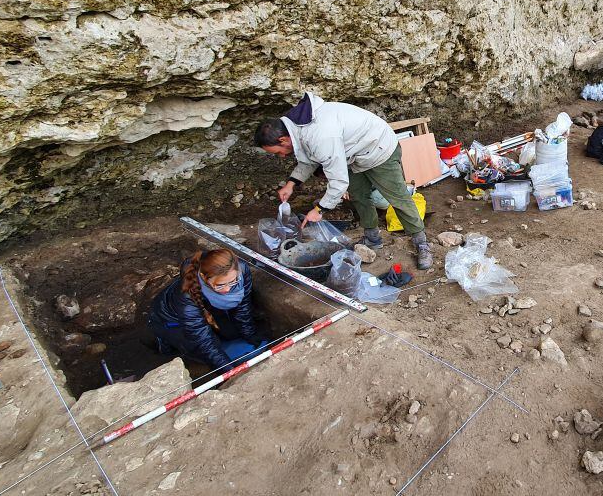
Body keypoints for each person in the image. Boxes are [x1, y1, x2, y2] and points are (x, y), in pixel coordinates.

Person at [254, 92, 433, 270]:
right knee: (359, 196)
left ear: (283, 139)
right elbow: (308, 158)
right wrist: (291, 184)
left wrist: (319, 209)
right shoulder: (296, 126)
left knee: (398, 198)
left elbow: (338, 182)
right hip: (354, 155)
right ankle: (372, 238)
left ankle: (421, 243)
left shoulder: (320, 135)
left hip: (379, 148)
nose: (282, 156)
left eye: (278, 152)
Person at [147, 249, 266, 369]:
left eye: (233, 282)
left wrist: (249, 334)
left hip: (207, 305)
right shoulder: (187, 299)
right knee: (198, 349)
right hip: (169, 319)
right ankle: (164, 343)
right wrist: (228, 370)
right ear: (204, 278)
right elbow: (203, 342)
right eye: (220, 285)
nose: (227, 290)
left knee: (232, 334)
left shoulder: (242, 270)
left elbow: (243, 306)